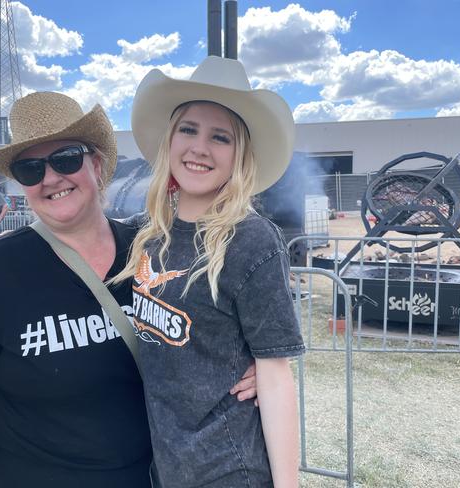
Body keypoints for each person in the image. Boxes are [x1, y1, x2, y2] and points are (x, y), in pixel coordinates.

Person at [0, 91, 256, 488]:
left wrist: (251, 366)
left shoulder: (158, 248)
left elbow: (223, 323)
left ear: (96, 165)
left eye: (65, 159)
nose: (50, 178)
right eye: (30, 169)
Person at [113, 56, 304, 487]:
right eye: (188, 129)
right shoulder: (146, 235)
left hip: (228, 469)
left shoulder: (251, 239)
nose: (199, 148)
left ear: (239, 155)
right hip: (165, 465)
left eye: (220, 137)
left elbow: (274, 377)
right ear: (170, 139)